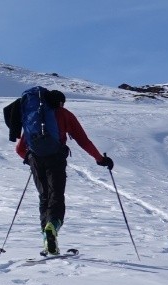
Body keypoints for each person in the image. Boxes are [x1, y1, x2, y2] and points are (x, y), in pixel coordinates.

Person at [15, 89, 113, 255]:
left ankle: (47, 242)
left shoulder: (36, 117)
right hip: (56, 157)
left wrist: (30, 160)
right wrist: (100, 159)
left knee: (44, 197)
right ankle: (52, 226)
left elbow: (19, 149)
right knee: (56, 195)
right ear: (60, 102)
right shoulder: (64, 114)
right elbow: (83, 140)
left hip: (35, 159)